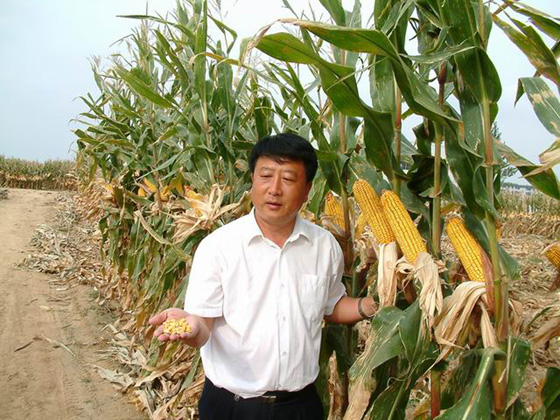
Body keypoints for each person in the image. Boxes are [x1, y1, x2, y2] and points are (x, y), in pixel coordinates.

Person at [149, 133, 376, 420]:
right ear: (253, 181)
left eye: (288, 179)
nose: (274, 189)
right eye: (266, 176)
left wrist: (372, 305)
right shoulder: (218, 247)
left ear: (307, 190)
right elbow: (202, 327)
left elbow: (330, 306)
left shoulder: (324, 246)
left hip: (300, 406)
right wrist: (191, 328)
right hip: (233, 407)